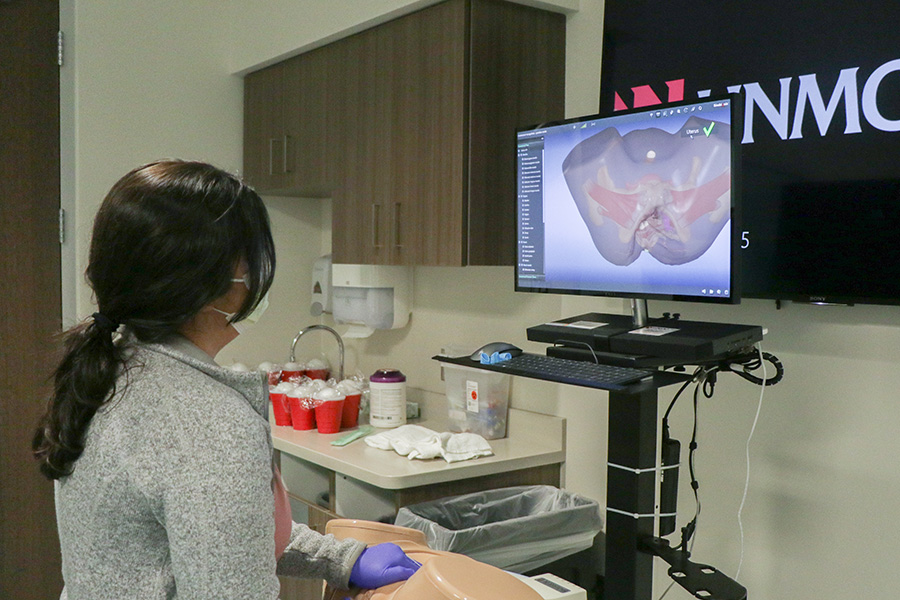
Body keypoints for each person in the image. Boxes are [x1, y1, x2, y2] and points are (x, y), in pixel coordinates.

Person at [32, 160, 419, 599]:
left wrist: (340, 559)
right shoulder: (208, 424)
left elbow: (216, 537)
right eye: (250, 262)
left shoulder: (110, 366)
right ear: (214, 279)